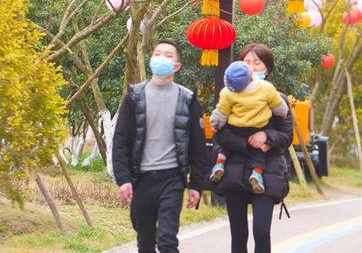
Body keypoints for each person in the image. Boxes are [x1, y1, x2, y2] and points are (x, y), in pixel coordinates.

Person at [112, 39, 208, 253]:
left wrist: (196, 185)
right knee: (145, 242)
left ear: (177, 66)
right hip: (141, 179)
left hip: (172, 178)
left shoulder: (188, 100)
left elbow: (198, 148)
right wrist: (123, 179)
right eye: (157, 54)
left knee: (166, 240)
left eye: (168, 55)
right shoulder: (134, 97)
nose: (161, 58)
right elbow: (120, 142)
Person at [209, 43, 293, 253]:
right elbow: (219, 131)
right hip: (234, 170)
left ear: (267, 69)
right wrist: (248, 144)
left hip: (268, 171)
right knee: (238, 234)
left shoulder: (276, 97)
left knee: (262, 232)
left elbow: (287, 135)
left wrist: (267, 137)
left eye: (257, 63)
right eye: (247, 62)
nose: (252, 67)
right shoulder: (229, 95)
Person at [208, 61, 289, 194]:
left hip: (236, 128)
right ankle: (256, 173)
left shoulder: (227, 93)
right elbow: (277, 104)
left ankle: (219, 163)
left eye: (256, 62)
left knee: (226, 148)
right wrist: (283, 113)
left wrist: (215, 124)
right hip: (257, 128)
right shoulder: (265, 87)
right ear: (251, 77)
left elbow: (221, 112)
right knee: (258, 153)